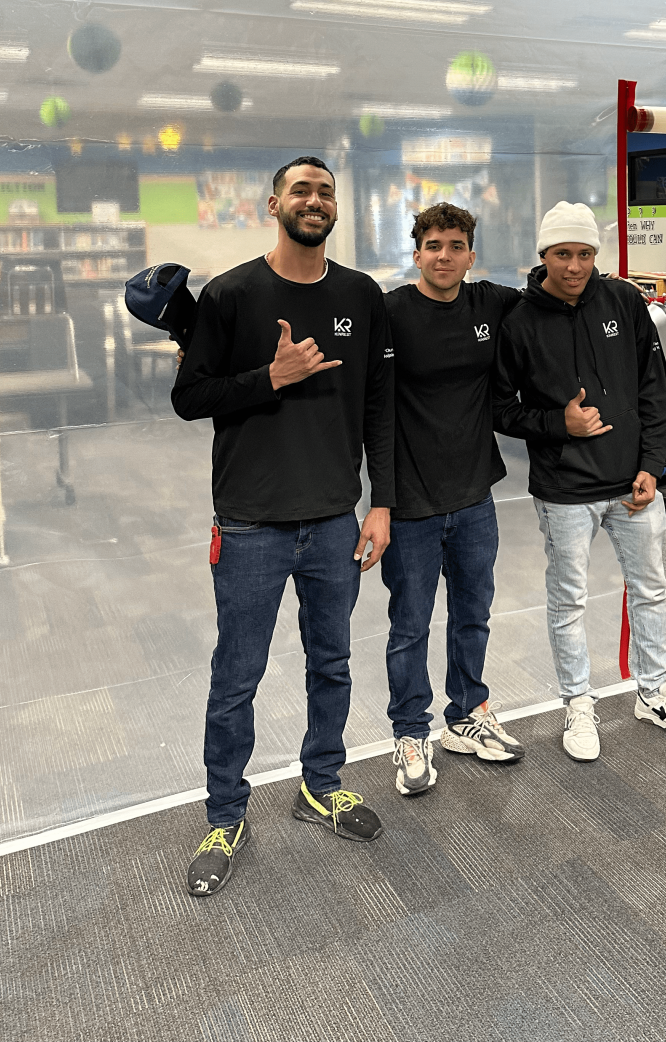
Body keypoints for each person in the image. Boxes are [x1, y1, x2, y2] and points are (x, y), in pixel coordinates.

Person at [172, 156, 394, 896]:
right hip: (249, 525)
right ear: (273, 204)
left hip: (333, 520)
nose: (315, 199)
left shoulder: (361, 295)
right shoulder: (231, 295)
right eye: (301, 189)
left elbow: (378, 406)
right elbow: (190, 397)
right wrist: (272, 377)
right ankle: (225, 815)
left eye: (326, 191)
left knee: (333, 663)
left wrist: (381, 504)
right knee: (237, 677)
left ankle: (321, 786)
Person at [491, 200, 666, 762]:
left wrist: (652, 466)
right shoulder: (519, 322)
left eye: (585, 253)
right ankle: (578, 703)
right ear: (544, 255)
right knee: (569, 600)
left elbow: (652, 389)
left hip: (633, 484)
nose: (575, 266)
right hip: (565, 492)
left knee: (651, 590)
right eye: (563, 254)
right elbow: (500, 409)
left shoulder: (624, 301)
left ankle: (655, 694)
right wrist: (557, 424)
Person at [382, 203, 526, 797]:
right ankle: (410, 732)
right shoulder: (389, 312)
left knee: (472, 615)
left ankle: (466, 715)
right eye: (434, 245)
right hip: (410, 503)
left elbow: (558, 302)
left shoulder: (492, 303)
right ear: (417, 253)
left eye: (456, 245)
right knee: (410, 626)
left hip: (474, 499)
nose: (445, 256)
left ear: (471, 255)